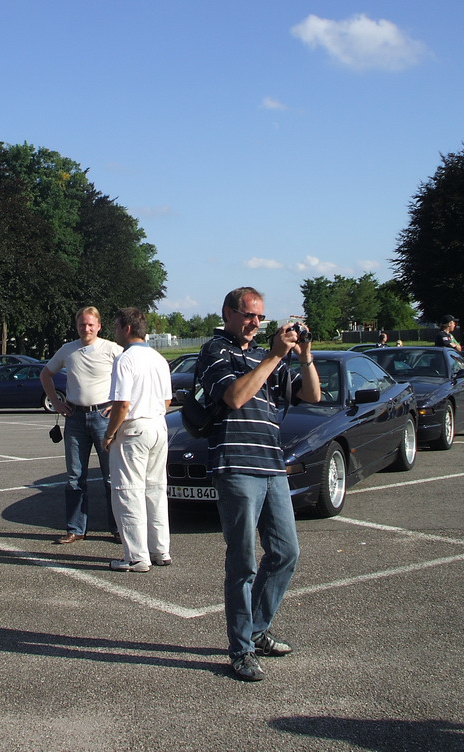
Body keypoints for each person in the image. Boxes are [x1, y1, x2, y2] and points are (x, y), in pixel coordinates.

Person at [196, 286, 321, 682]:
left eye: (260, 317)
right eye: (249, 315)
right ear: (228, 313)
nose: (255, 322)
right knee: (243, 561)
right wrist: (274, 356)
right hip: (236, 465)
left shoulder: (266, 356)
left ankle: (257, 629)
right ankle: (241, 649)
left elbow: (312, 394)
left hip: (271, 464)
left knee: (285, 552)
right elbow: (234, 397)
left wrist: (304, 354)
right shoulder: (215, 350)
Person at [42, 307, 123, 544]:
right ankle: (76, 529)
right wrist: (56, 402)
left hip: (103, 417)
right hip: (75, 418)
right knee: (75, 477)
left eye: (90, 325)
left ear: (99, 326)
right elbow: (45, 374)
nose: (86, 329)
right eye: (82, 325)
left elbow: (131, 375)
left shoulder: (112, 349)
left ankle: (118, 528)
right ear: (76, 326)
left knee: (111, 477)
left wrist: (117, 403)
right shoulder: (68, 349)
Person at [101, 308, 173, 573]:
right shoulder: (159, 359)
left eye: (116, 327)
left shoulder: (125, 359)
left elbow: (122, 404)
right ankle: (160, 550)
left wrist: (109, 434)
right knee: (155, 490)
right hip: (158, 425)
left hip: (134, 429)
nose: (114, 332)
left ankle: (136, 556)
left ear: (127, 328)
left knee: (128, 491)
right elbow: (166, 400)